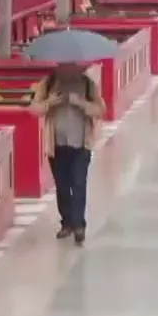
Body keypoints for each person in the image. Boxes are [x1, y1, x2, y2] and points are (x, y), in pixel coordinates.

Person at [28, 63, 105, 245]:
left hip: (81, 145)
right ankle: (67, 223)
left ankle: (79, 226)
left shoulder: (88, 84)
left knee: (79, 184)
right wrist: (50, 102)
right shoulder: (49, 83)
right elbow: (33, 109)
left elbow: (100, 110)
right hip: (57, 145)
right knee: (62, 186)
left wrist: (81, 103)